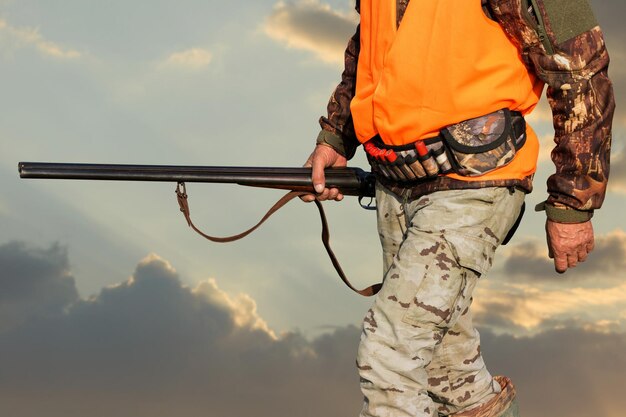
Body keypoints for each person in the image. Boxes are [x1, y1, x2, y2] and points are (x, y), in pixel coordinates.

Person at [301, 1, 615, 416]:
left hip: (475, 182)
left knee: (389, 355)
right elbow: (372, 49)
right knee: (445, 372)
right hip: (395, 182)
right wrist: (335, 139)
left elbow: (580, 64)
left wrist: (573, 201)